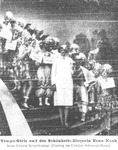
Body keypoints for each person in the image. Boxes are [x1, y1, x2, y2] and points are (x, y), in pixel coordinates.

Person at [51, 45, 74, 127]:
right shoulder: (56, 60)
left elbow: (72, 72)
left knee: (67, 103)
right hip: (59, 83)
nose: (63, 51)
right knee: (60, 102)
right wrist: (53, 83)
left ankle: (66, 121)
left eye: (64, 50)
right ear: (59, 51)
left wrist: (72, 67)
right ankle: (62, 122)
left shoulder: (69, 60)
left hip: (68, 82)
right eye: (61, 50)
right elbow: (53, 72)